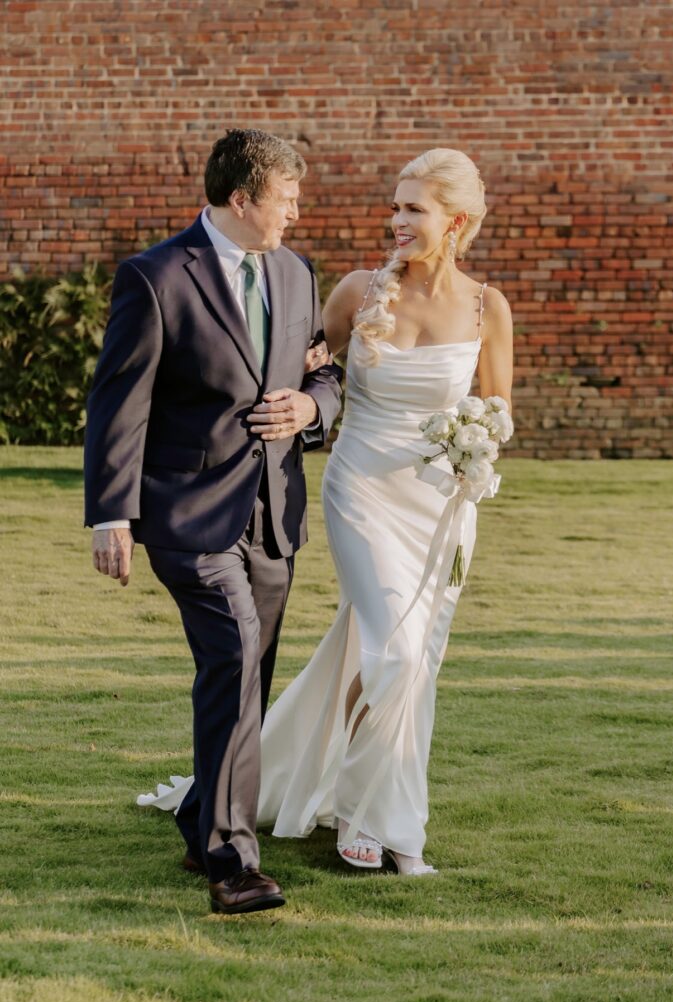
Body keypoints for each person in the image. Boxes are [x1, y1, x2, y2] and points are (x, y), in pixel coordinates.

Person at [142, 147, 513, 876]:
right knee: (393, 651)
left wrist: (475, 446)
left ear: (456, 221)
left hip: (438, 506)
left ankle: (377, 815)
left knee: (410, 662)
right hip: (362, 489)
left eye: (414, 209)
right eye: (396, 205)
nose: (396, 220)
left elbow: (496, 411)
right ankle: (361, 812)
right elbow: (298, 369)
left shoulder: (485, 307)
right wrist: (292, 408)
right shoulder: (356, 291)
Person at [84, 129, 342, 914]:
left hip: (272, 514)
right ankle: (234, 862)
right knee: (234, 652)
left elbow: (324, 374)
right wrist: (110, 515)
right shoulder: (156, 277)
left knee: (246, 678)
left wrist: (310, 408)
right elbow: (116, 404)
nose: (295, 213)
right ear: (242, 199)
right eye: (285, 199)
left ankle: (201, 820)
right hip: (186, 515)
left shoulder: (296, 274)